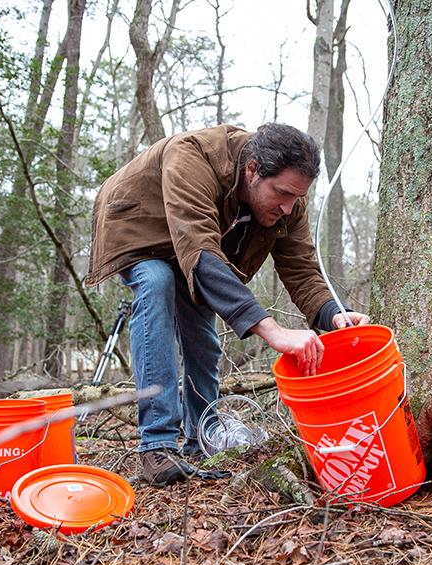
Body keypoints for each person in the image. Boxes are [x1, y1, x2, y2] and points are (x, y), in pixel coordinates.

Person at [85, 123, 369, 487]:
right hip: (139, 225)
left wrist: (335, 314)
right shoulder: (193, 156)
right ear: (252, 169)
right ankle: (157, 444)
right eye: (281, 193)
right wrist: (271, 329)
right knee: (157, 282)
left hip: (197, 243)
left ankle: (200, 436)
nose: (288, 207)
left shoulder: (289, 203)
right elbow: (199, 249)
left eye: (296, 197)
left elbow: (301, 268)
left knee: (202, 329)